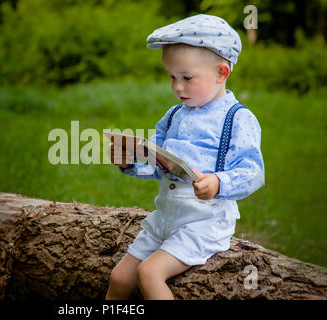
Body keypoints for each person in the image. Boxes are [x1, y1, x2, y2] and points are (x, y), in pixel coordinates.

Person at [106, 14, 265, 300]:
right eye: (172, 77)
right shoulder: (174, 115)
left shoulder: (237, 118)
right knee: (119, 277)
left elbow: (252, 172)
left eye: (187, 78)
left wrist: (218, 182)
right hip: (165, 218)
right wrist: (130, 162)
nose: (177, 87)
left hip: (204, 221)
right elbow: (158, 165)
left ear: (221, 73)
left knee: (149, 273)